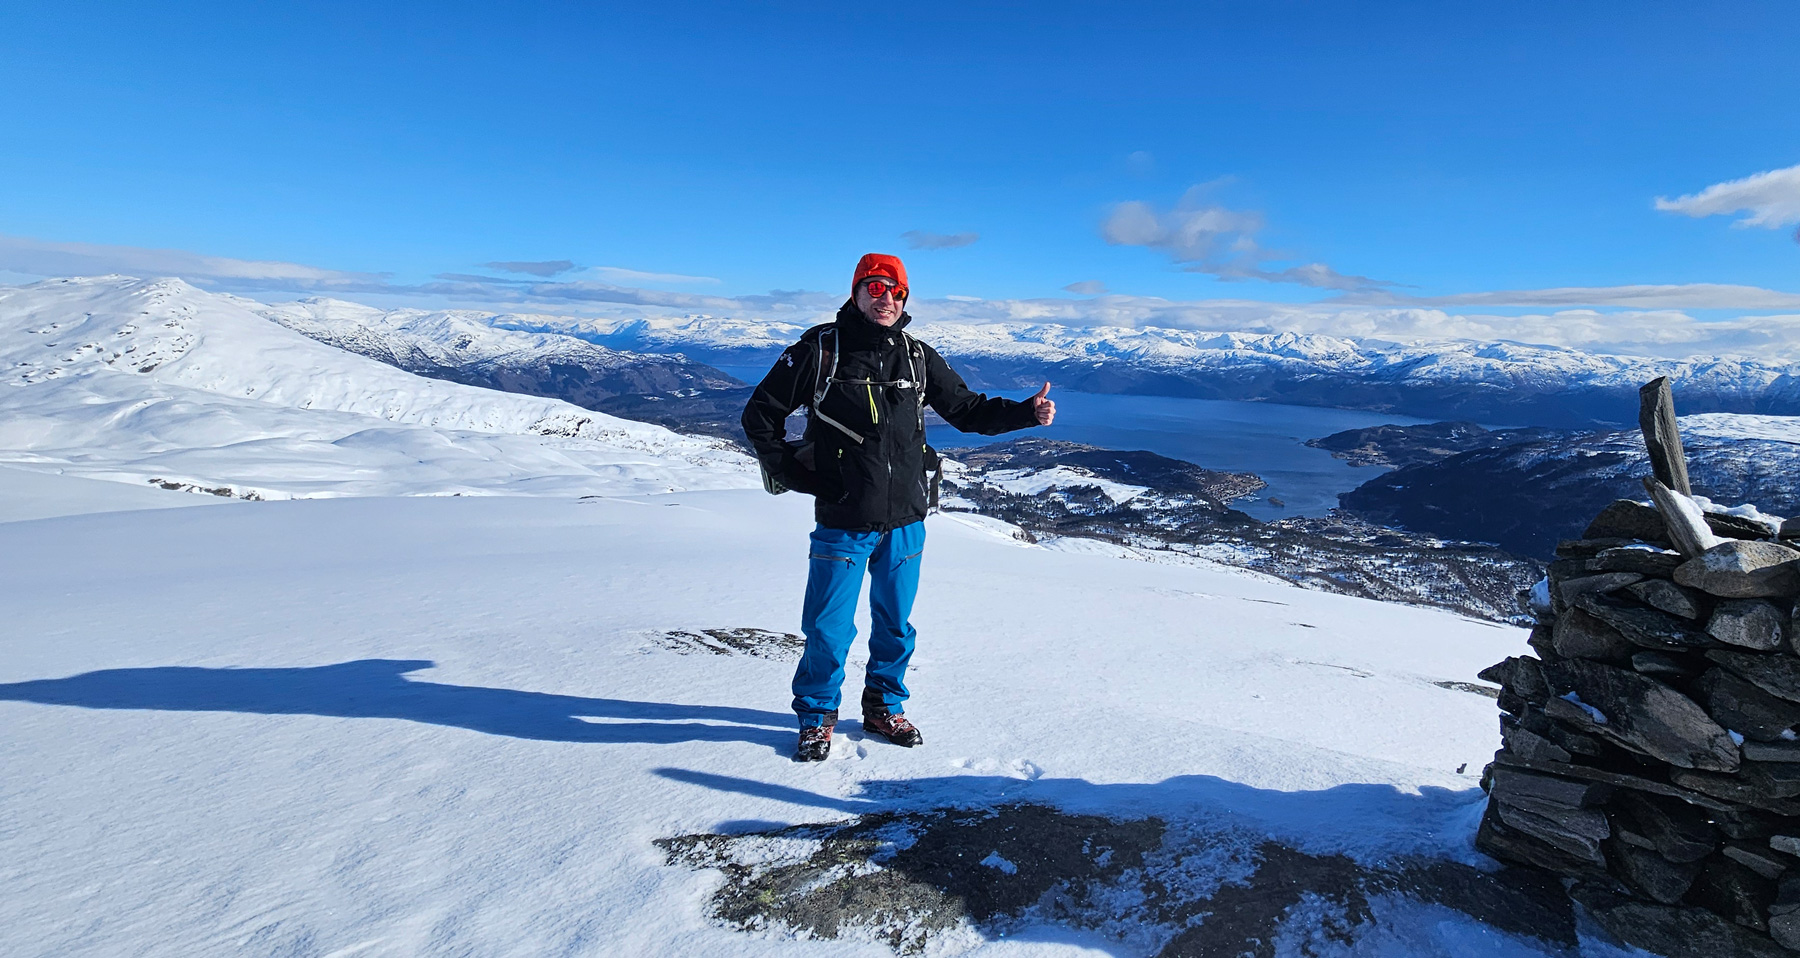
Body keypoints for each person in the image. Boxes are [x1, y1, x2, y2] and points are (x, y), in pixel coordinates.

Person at [742, 253, 1055, 762]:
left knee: (895, 626)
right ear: (857, 292)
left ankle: (883, 707)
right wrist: (801, 477)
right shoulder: (821, 349)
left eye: (896, 291)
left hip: (906, 520)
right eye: (876, 287)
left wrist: (1025, 412)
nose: (886, 298)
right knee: (828, 625)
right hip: (844, 519)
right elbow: (759, 415)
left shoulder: (916, 355)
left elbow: (967, 409)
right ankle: (818, 715)